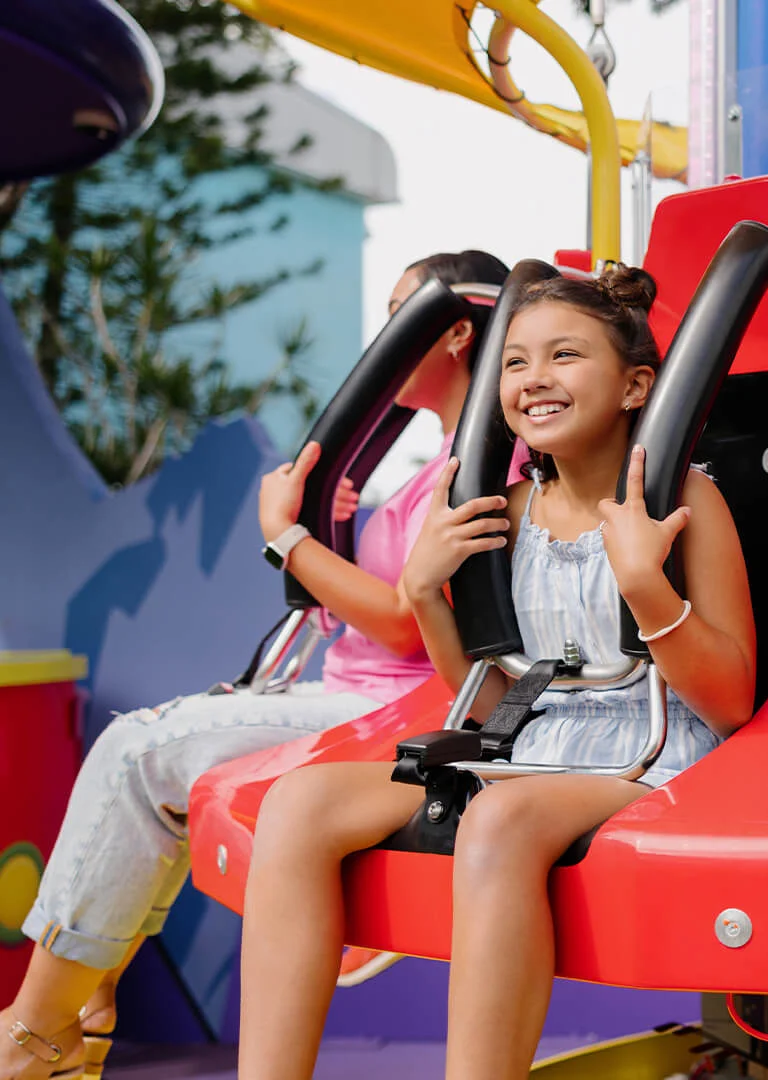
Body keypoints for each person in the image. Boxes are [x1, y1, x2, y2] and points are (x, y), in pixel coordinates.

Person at [234, 265, 756, 1080]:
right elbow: (477, 692)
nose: (534, 379)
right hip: (531, 744)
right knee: (298, 803)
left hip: (652, 752)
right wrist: (424, 593)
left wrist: (648, 588)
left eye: (565, 356)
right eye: (514, 362)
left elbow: (729, 701)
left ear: (634, 386)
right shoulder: (503, 512)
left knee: (501, 821)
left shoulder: (686, 503)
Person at [0, 251, 512, 1080]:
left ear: (455, 330)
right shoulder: (436, 465)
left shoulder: (488, 461)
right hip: (352, 690)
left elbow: (401, 627)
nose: (383, 338)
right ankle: (77, 1011)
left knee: (138, 751)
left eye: (400, 316)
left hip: (396, 710)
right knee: (153, 775)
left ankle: (34, 1029)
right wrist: (336, 529)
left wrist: (288, 536)